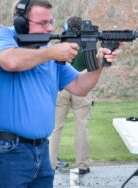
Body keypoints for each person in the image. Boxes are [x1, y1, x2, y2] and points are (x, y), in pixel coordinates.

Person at [0, 0, 122, 187]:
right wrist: (51, 52)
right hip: (7, 150)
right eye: (42, 23)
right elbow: (10, 61)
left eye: (50, 22)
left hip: (40, 149)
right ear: (21, 23)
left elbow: (79, 87)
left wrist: (98, 62)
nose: (49, 28)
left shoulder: (46, 50)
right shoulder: (3, 36)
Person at [49, 16, 93, 175]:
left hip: (61, 85)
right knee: (82, 125)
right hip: (81, 84)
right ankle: (83, 164)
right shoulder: (87, 44)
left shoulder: (59, 43)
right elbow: (92, 67)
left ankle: (50, 165)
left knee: (54, 128)